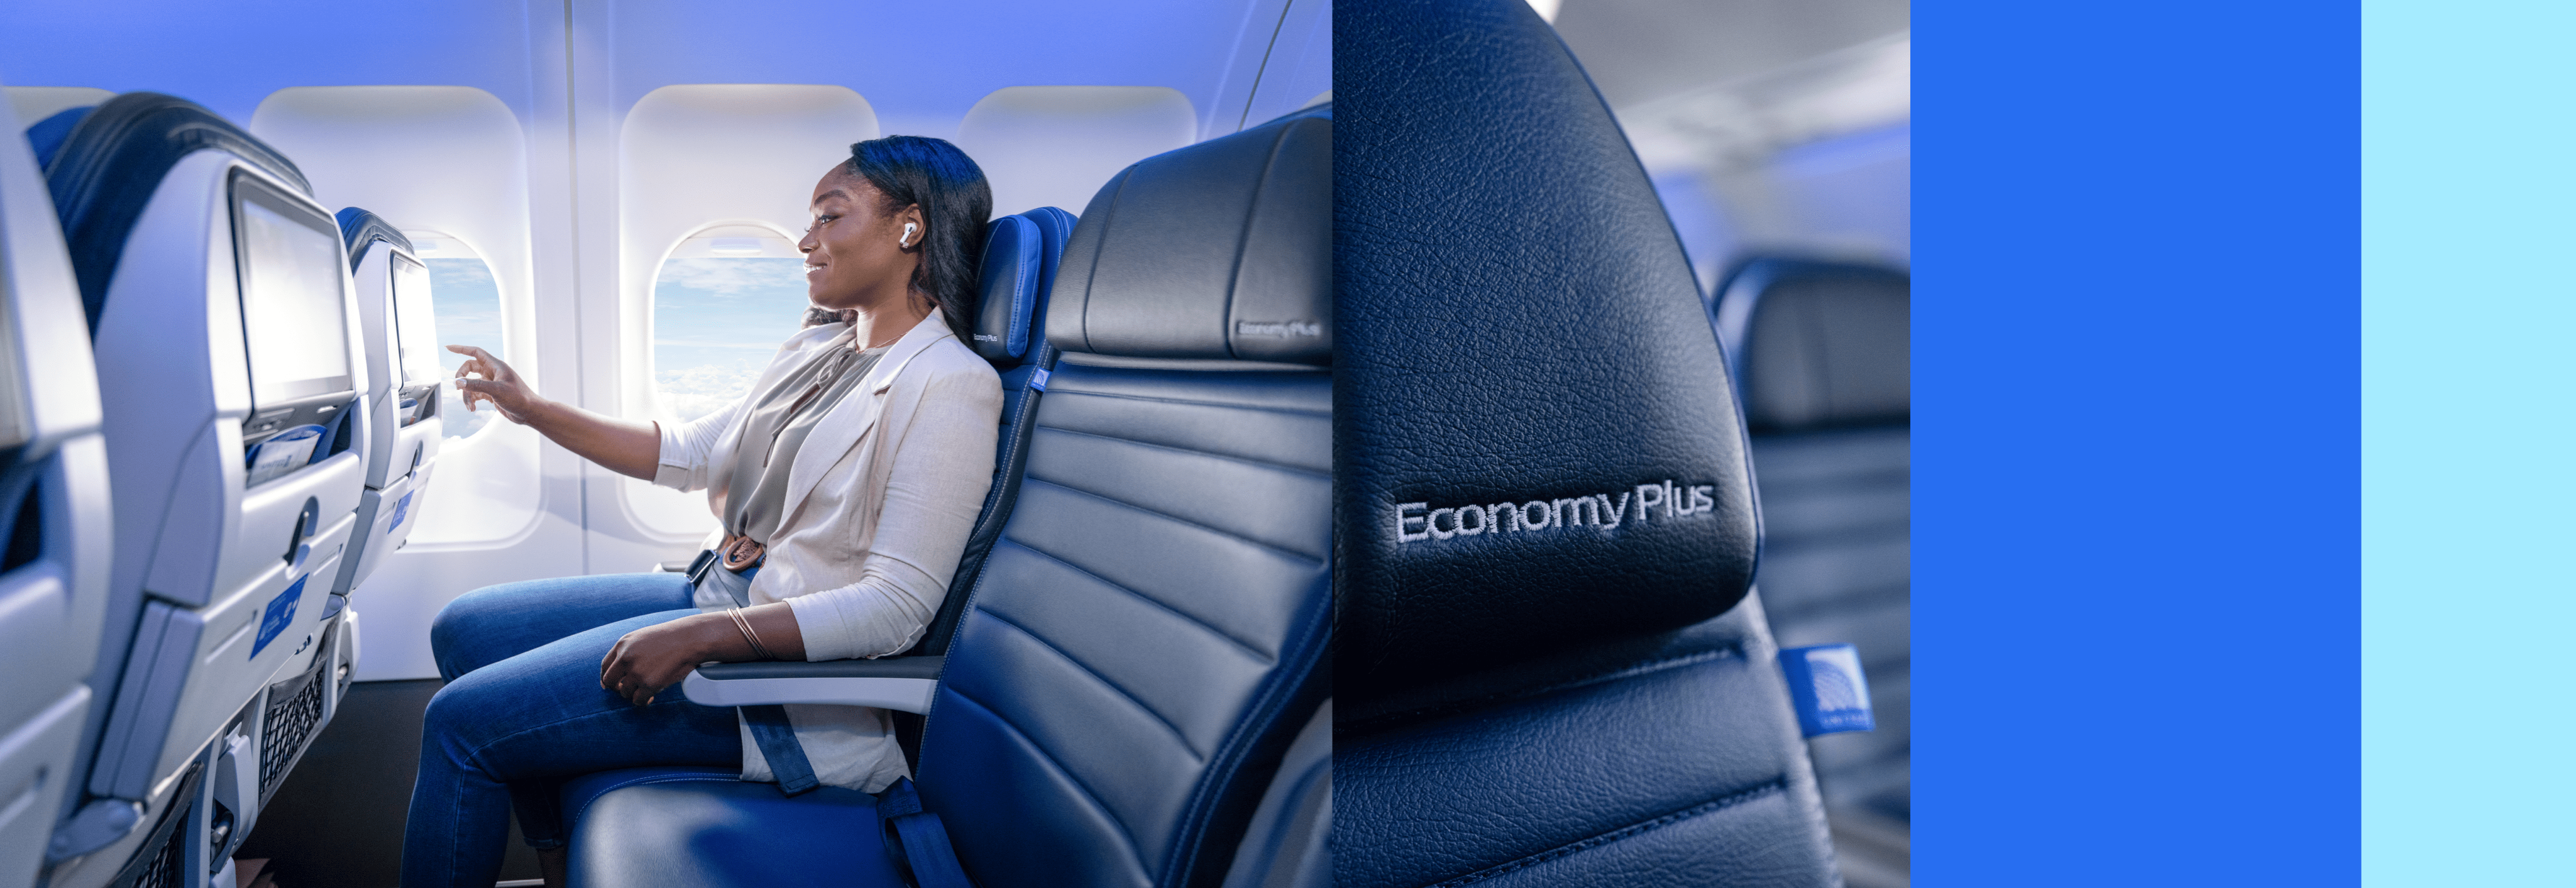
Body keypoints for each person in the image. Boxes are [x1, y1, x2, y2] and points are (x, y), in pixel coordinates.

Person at [400, 136, 1003, 888]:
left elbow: (897, 608)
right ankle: (557, 861)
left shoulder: (950, 385)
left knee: (458, 727)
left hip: (775, 684)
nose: (805, 240)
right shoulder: (823, 350)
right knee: (464, 627)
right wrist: (531, 410)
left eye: (828, 217)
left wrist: (707, 633)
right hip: (721, 591)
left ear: (909, 228)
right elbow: (690, 453)